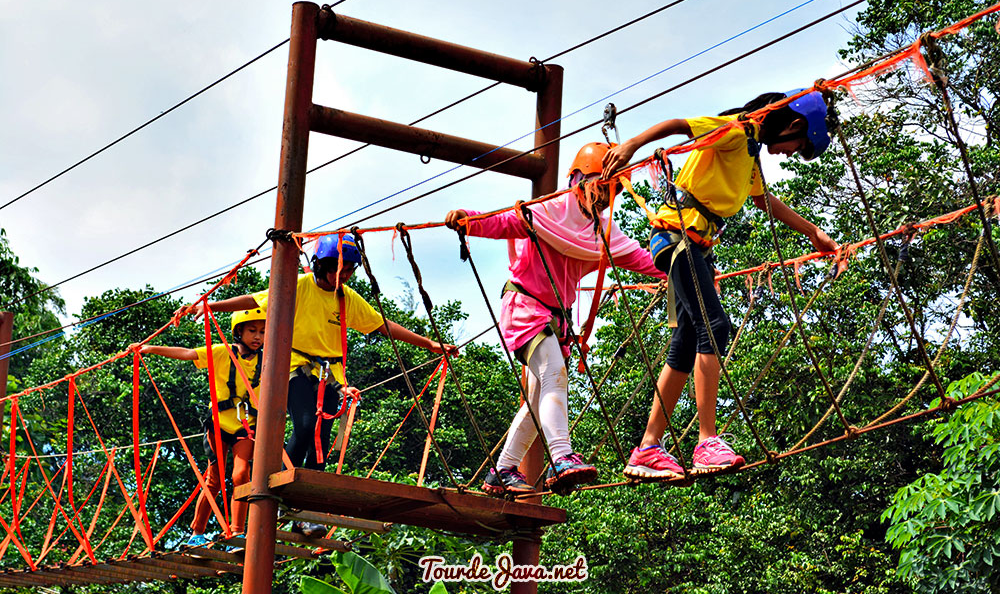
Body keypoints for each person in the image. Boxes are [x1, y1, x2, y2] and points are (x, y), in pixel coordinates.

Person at [600, 89, 839, 480]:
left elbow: (764, 200)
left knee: (689, 339)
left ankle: (648, 447)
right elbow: (678, 125)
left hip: (691, 245)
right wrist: (631, 145)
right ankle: (706, 441)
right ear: (794, 125)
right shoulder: (733, 131)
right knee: (715, 326)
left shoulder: (749, 154)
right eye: (796, 147)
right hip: (678, 238)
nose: (788, 153)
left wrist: (812, 232)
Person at [181, 233, 457, 535]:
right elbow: (257, 300)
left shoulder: (346, 297)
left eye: (350, 270)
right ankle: (282, 481)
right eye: (341, 270)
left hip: (330, 378)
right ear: (322, 265)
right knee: (303, 425)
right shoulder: (299, 285)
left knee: (320, 438)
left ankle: (305, 506)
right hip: (295, 369)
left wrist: (429, 343)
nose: (346, 276)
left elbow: (381, 324)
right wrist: (212, 306)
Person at [445, 142, 668, 496]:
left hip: (555, 319)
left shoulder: (604, 232)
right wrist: (470, 220)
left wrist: (684, 268)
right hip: (525, 306)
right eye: (602, 185)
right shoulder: (550, 209)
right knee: (554, 375)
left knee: (538, 397)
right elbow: (507, 221)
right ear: (579, 180)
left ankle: (502, 470)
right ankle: (562, 456)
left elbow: (644, 260)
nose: (606, 195)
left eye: (613, 189)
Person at [139, 308, 266, 546]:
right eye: (252, 331)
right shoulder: (222, 352)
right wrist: (151, 349)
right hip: (218, 424)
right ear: (239, 331)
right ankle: (197, 532)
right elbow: (188, 353)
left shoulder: (267, 360)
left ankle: (236, 533)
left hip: (246, 425)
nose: (258, 336)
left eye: (262, 331)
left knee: (241, 475)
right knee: (214, 480)